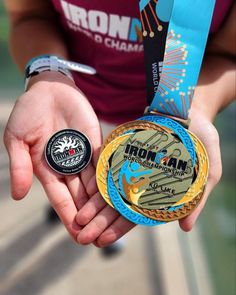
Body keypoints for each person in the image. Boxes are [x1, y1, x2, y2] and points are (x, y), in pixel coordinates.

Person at [3, 0, 235, 248]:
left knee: (118, 196)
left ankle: (110, 211)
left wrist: (196, 109)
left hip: (163, 129)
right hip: (67, 113)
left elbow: (229, 55)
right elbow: (29, 15)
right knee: (72, 178)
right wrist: (47, 76)